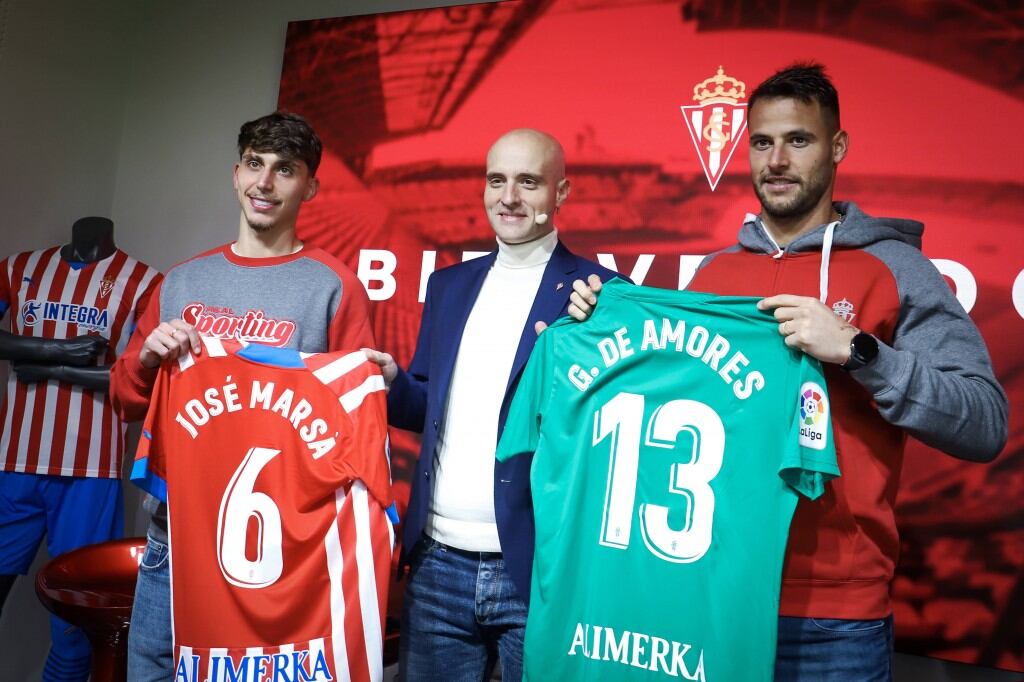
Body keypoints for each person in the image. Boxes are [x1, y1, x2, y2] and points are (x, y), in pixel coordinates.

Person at [568, 63, 1008, 680]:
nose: (776, 160)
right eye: (762, 142)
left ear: (837, 147)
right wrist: (597, 327)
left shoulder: (895, 269)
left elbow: (984, 421)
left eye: (798, 140)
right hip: (708, 592)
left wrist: (859, 352)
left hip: (835, 618)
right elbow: (654, 401)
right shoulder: (714, 276)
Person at [110, 111, 375, 681]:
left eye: (285, 170)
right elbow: (127, 400)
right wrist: (148, 359)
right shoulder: (181, 282)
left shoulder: (334, 287)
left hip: (276, 553)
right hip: (172, 537)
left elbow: (354, 426)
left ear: (310, 186)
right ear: (236, 174)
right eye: (255, 165)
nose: (265, 183)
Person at [365, 128, 623, 681]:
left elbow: (607, 434)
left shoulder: (600, 294)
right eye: (497, 180)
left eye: (528, 182)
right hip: (436, 564)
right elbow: (428, 406)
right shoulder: (449, 285)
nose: (509, 197)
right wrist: (389, 384)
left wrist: (600, 328)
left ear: (562, 193)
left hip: (538, 566)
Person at [0, 217, 160, 681]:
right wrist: (56, 350)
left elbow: (139, 381)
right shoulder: (20, 268)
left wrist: (42, 365)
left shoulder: (146, 281)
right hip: (13, 460)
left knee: (75, 622)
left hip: (90, 472)